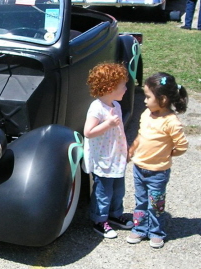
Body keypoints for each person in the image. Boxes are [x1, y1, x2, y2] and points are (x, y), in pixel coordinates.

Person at [126, 72, 189, 248]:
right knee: (141, 202)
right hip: (139, 168)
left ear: (162, 99)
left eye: (147, 97)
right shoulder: (146, 114)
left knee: (155, 205)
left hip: (158, 173)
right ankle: (139, 229)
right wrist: (132, 149)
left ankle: (156, 232)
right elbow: (140, 135)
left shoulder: (171, 122)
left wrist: (168, 154)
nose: (144, 101)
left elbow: (182, 146)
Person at [83, 62, 133, 239]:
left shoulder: (115, 105)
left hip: (115, 155)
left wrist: (125, 149)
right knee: (104, 191)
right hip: (103, 157)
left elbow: (118, 131)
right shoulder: (96, 108)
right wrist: (107, 123)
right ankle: (99, 219)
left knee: (118, 189)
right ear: (110, 87)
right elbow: (88, 132)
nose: (126, 89)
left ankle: (115, 213)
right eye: (123, 86)